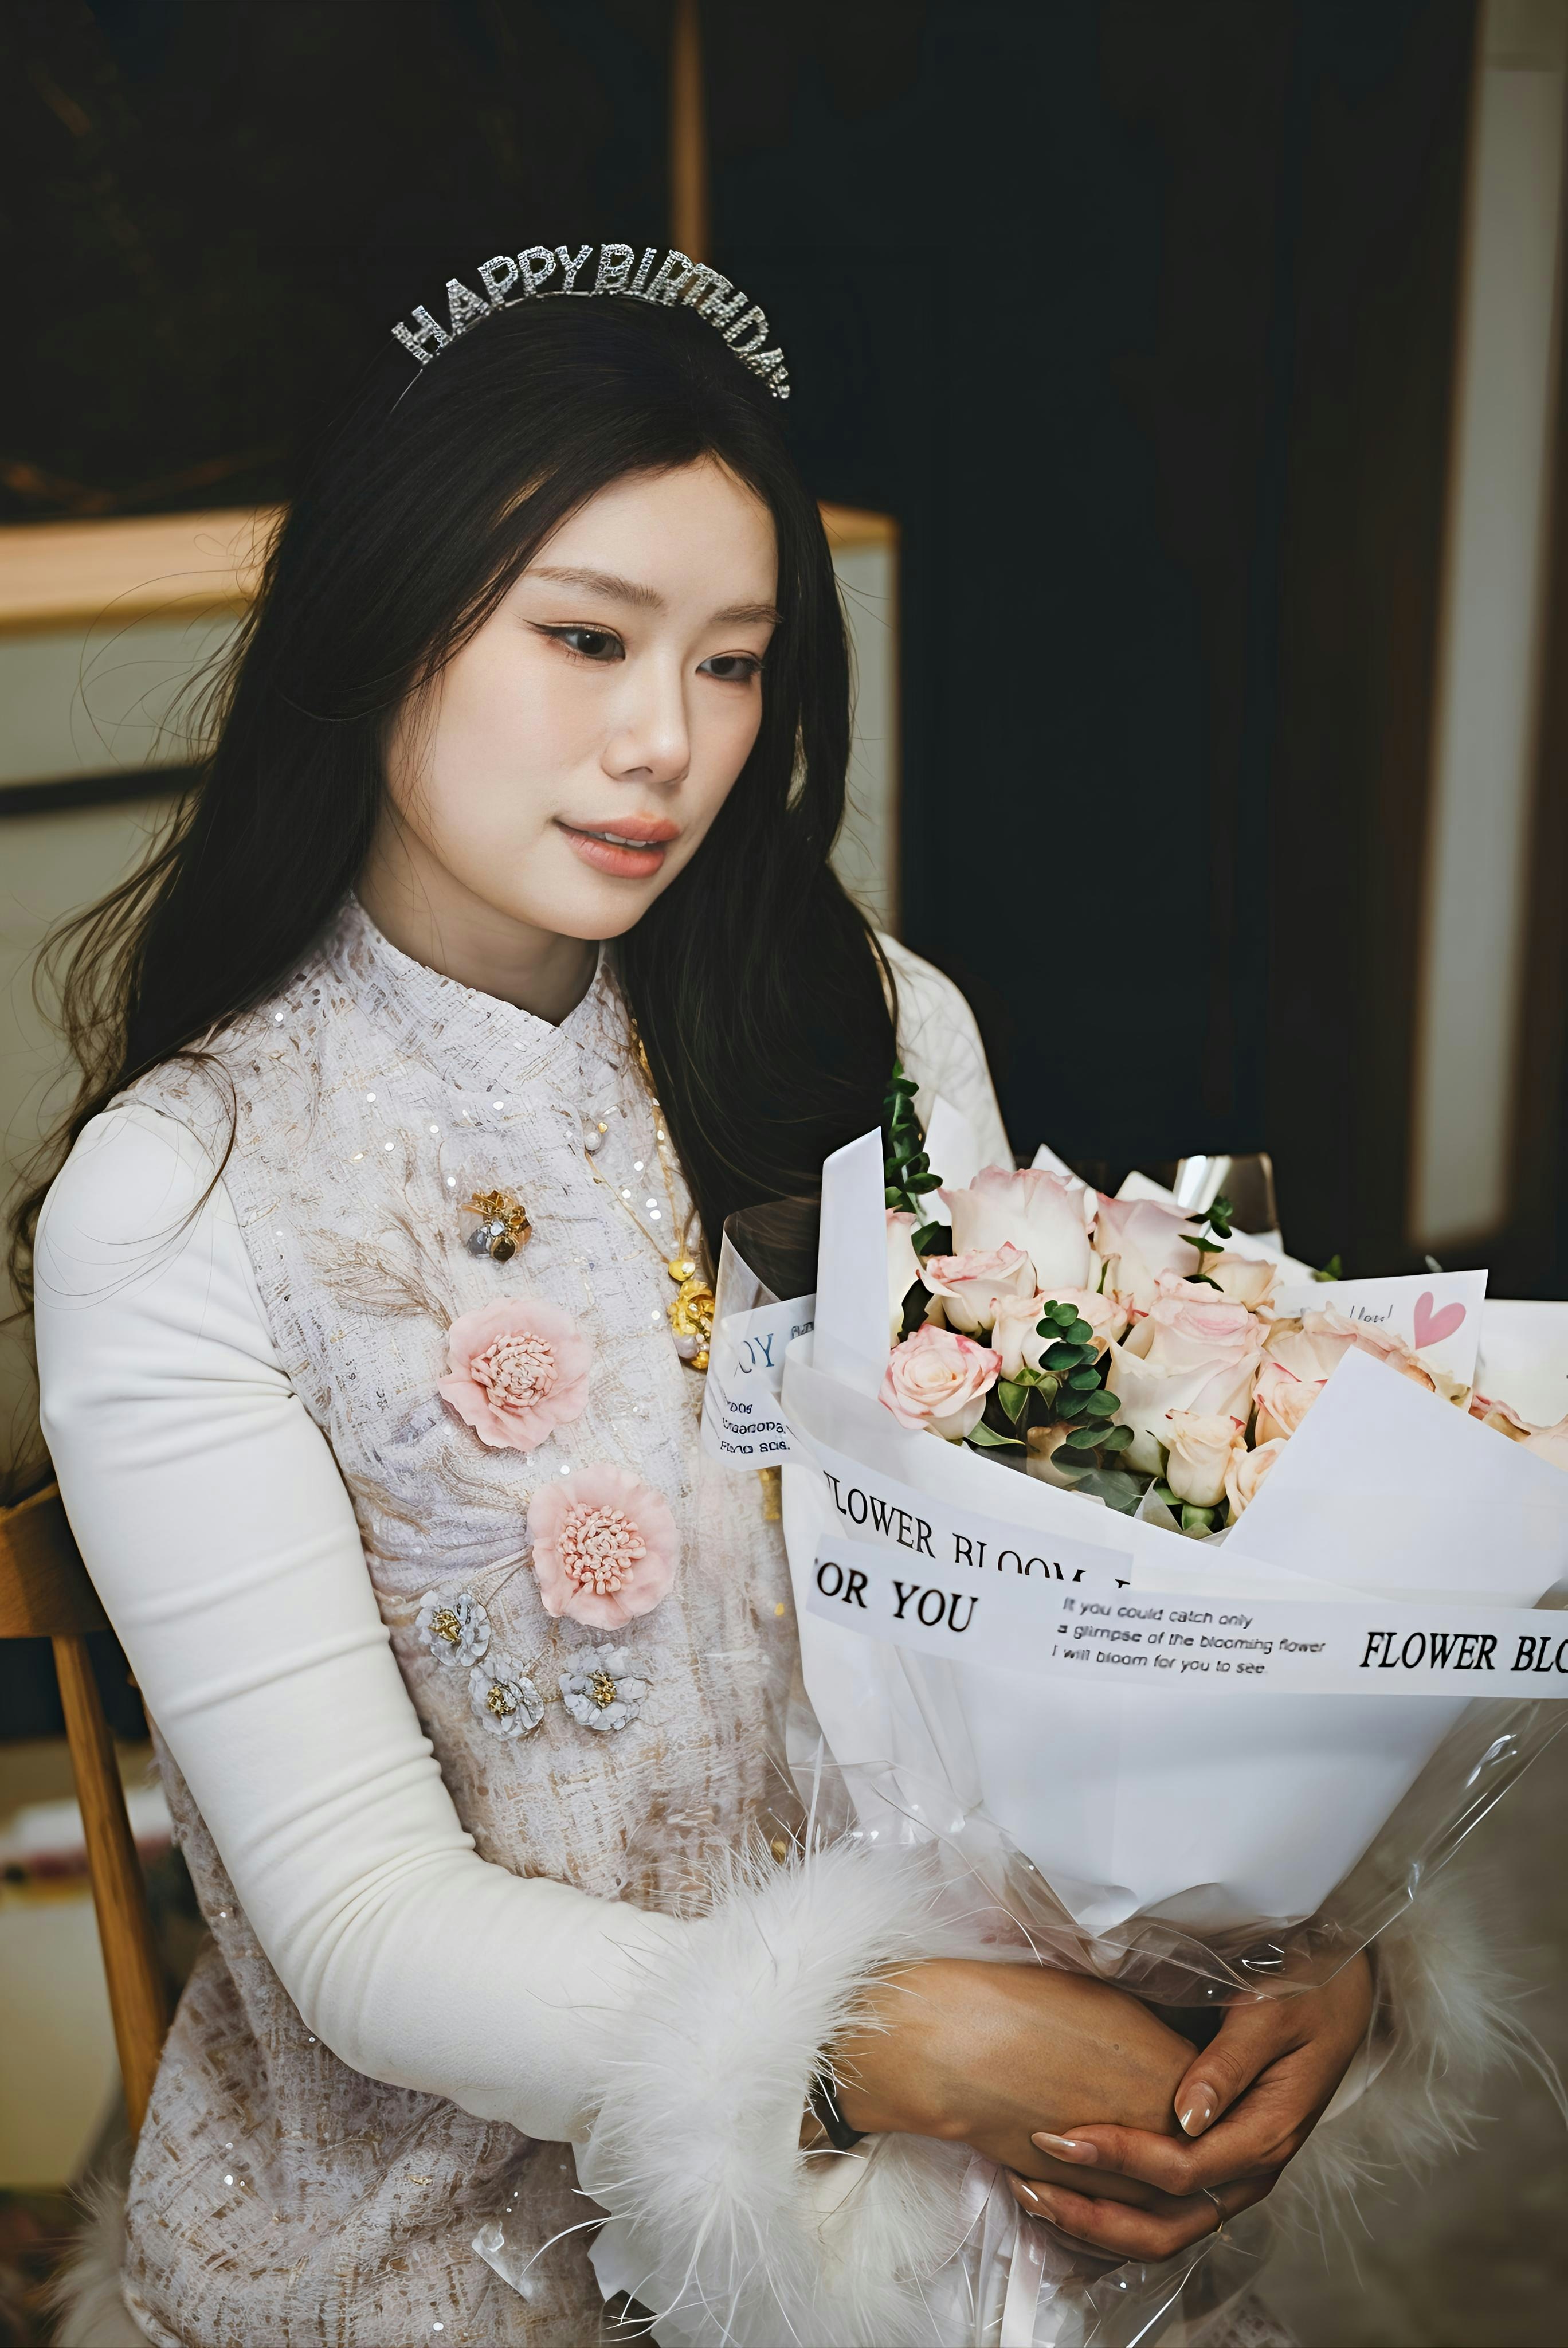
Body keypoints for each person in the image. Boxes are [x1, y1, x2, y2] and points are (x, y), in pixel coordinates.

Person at [16, 251, 1483, 2348]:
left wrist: (1274, 1935)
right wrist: (900, 2041)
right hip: (450, 2255)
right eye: (586, 638)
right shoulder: (198, 1197)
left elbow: (1062, 1611)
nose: (667, 745)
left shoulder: (863, 1024)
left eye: (734, 664)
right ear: (376, 615)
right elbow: (361, 1927)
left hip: (965, 2208)